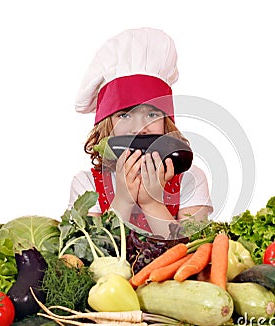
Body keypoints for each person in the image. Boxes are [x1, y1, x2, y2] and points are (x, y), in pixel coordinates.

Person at [68, 27, 213, 239]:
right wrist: (123, 200)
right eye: (124, 115)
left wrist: (151, 202)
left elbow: (195, 252)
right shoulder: (86, 185)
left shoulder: (191, 179)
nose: (138, 128)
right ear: (106, 126)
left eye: (152, 114)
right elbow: (91, 257)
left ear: (167, 123)